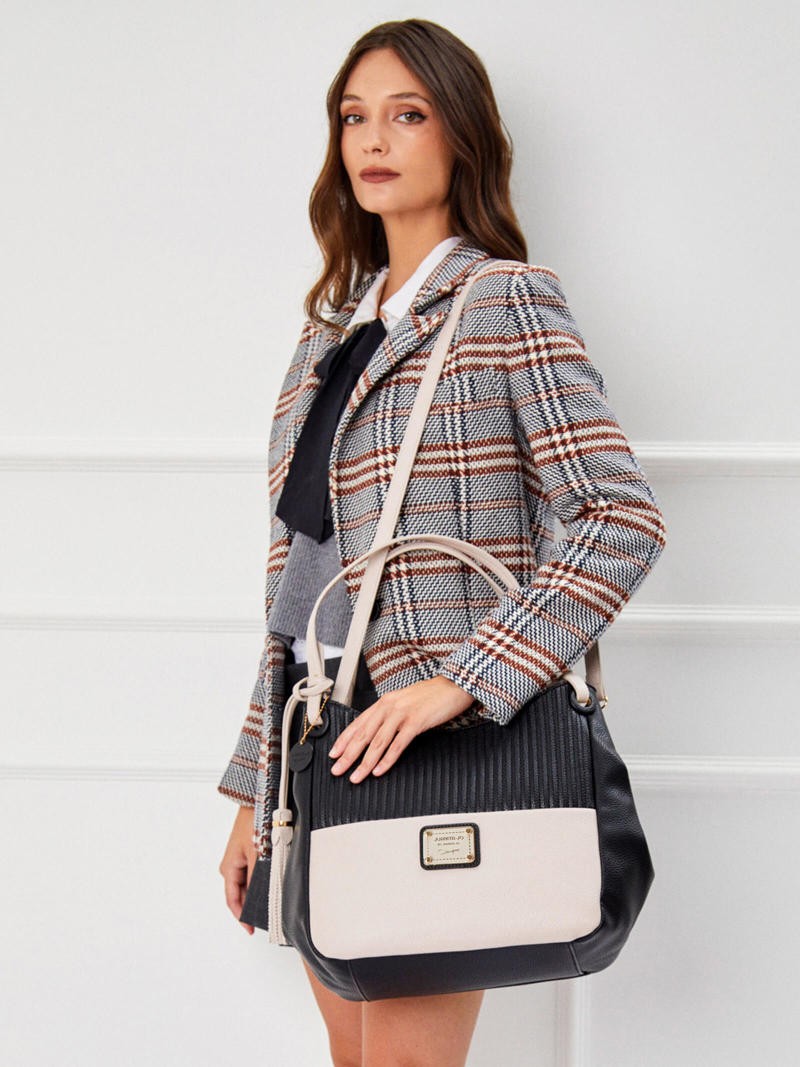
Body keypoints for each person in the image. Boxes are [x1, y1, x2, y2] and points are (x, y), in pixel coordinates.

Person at [218, 17, 666, 1067]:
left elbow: (619, 518)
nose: (373, 139)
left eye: (407, 114)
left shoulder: (504, 301)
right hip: (321, 745)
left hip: (440, 746)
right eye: (353, 117)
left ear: (460, 136)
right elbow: (300, 585)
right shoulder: (328, 336)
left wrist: (460, 681)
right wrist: (253, 789)